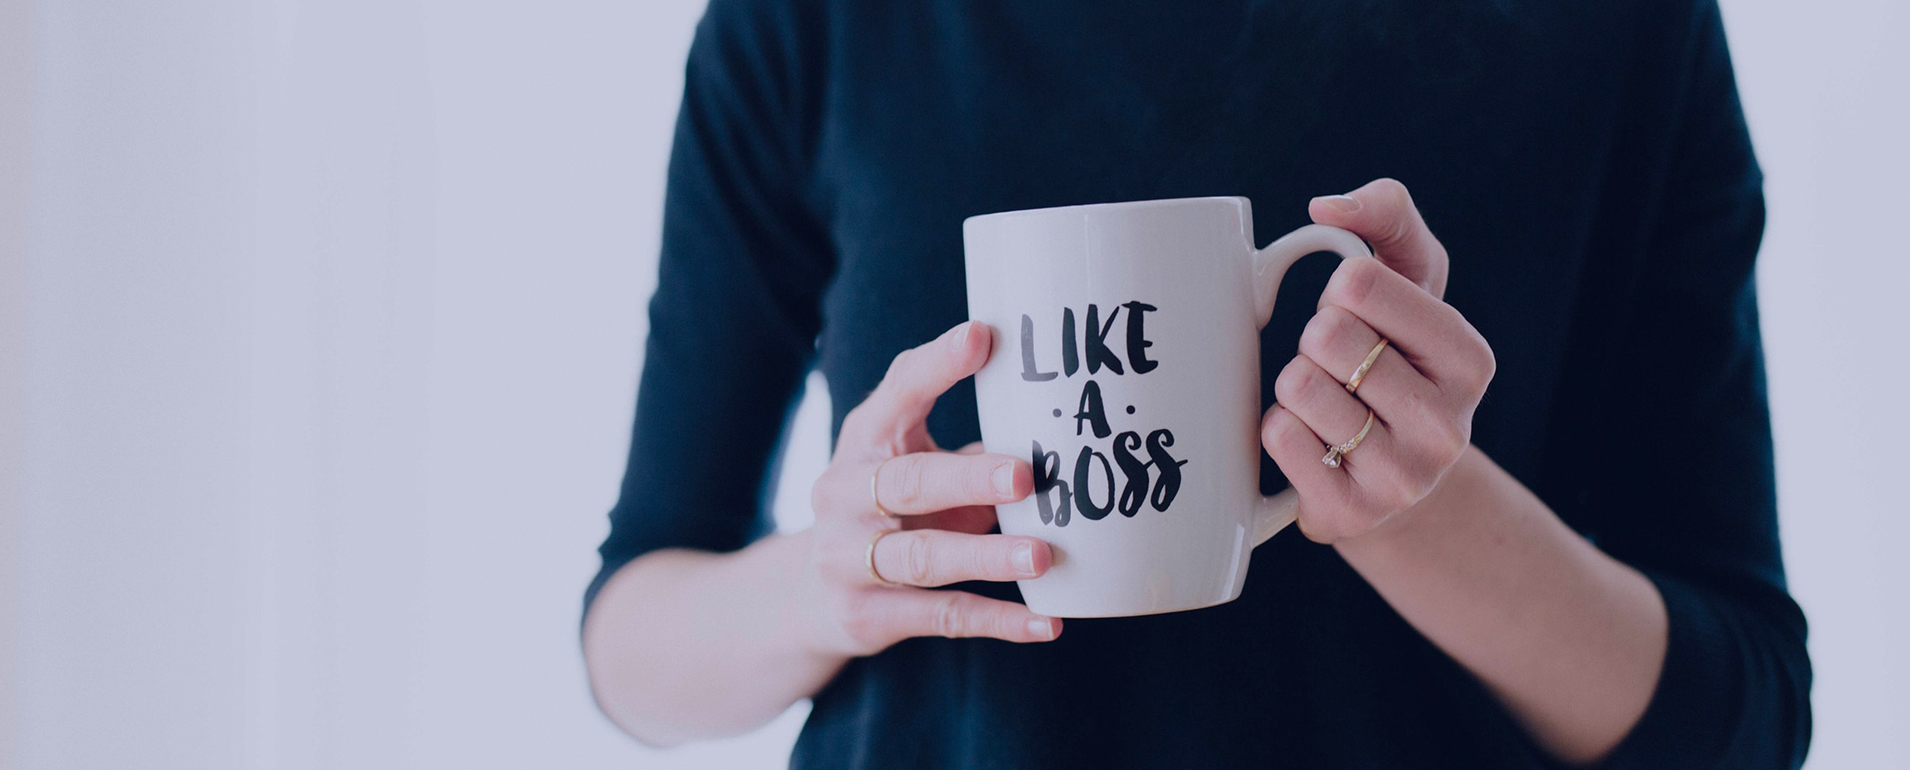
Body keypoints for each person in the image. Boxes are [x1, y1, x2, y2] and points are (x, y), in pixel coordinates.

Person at [581, 1, 1812, 767]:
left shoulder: (1614, 26)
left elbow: (1741, 716)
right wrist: (831, 580)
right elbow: (629, 639)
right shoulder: (810, 23)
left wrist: (1416, 507)